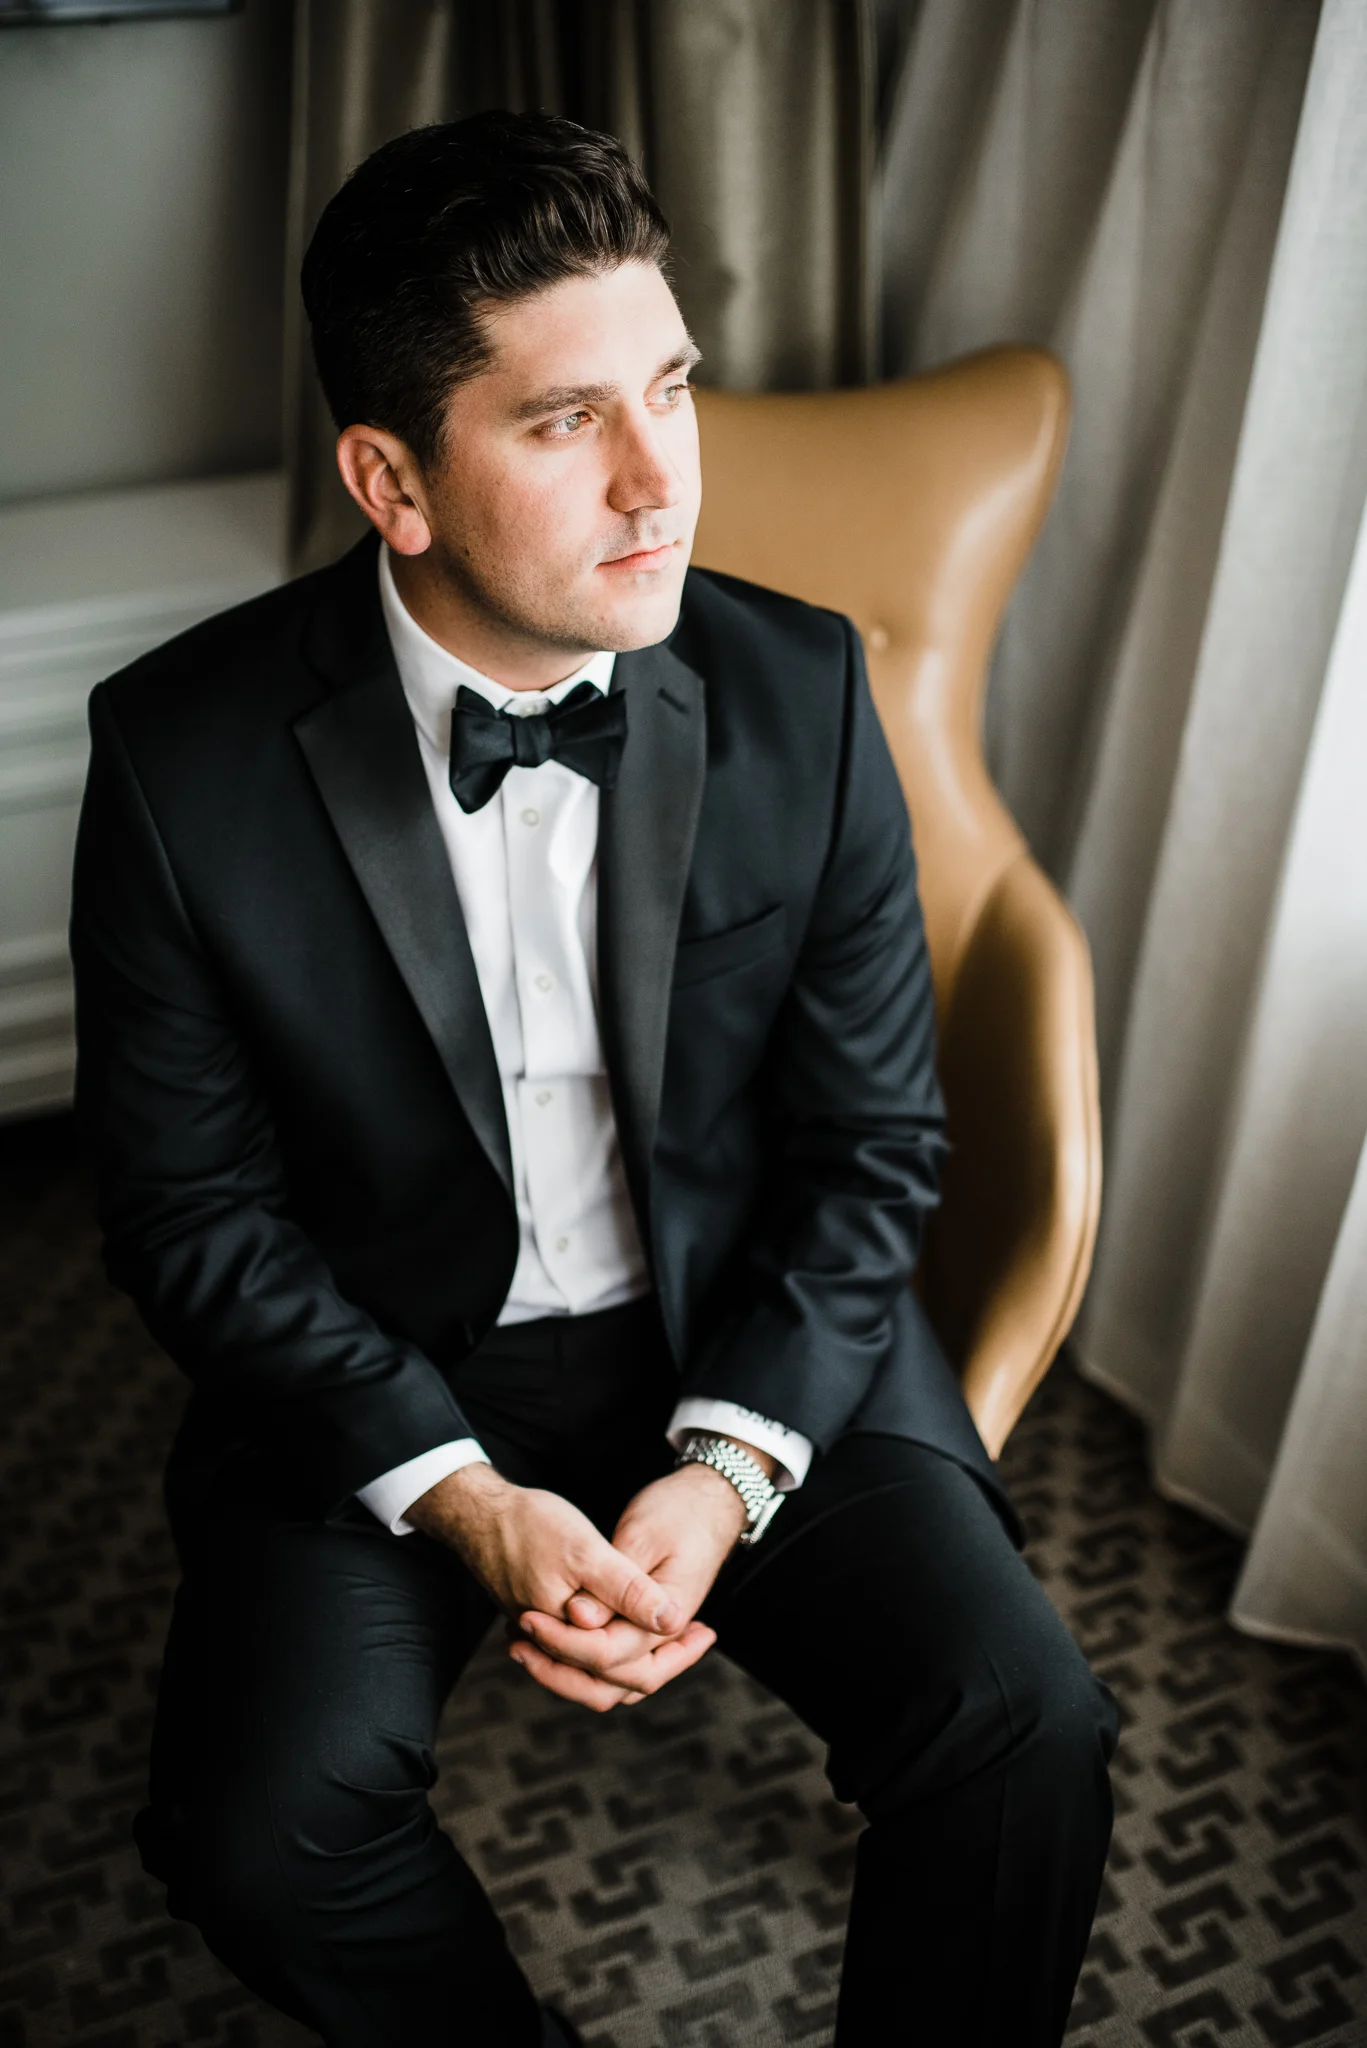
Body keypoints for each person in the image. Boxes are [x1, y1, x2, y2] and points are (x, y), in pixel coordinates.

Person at [70, 110, 1118, 2048]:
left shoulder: (803, 693)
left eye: (671, 387)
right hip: (386, 1358)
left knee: (1023, 1725)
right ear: (389, 477)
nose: (662, 481)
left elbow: (873, 1145)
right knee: (258, 1827)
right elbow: (190, 1218)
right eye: (563, 423)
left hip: (747, 1316)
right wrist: (458, 1490)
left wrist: (725, 1469)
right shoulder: (175, 763)